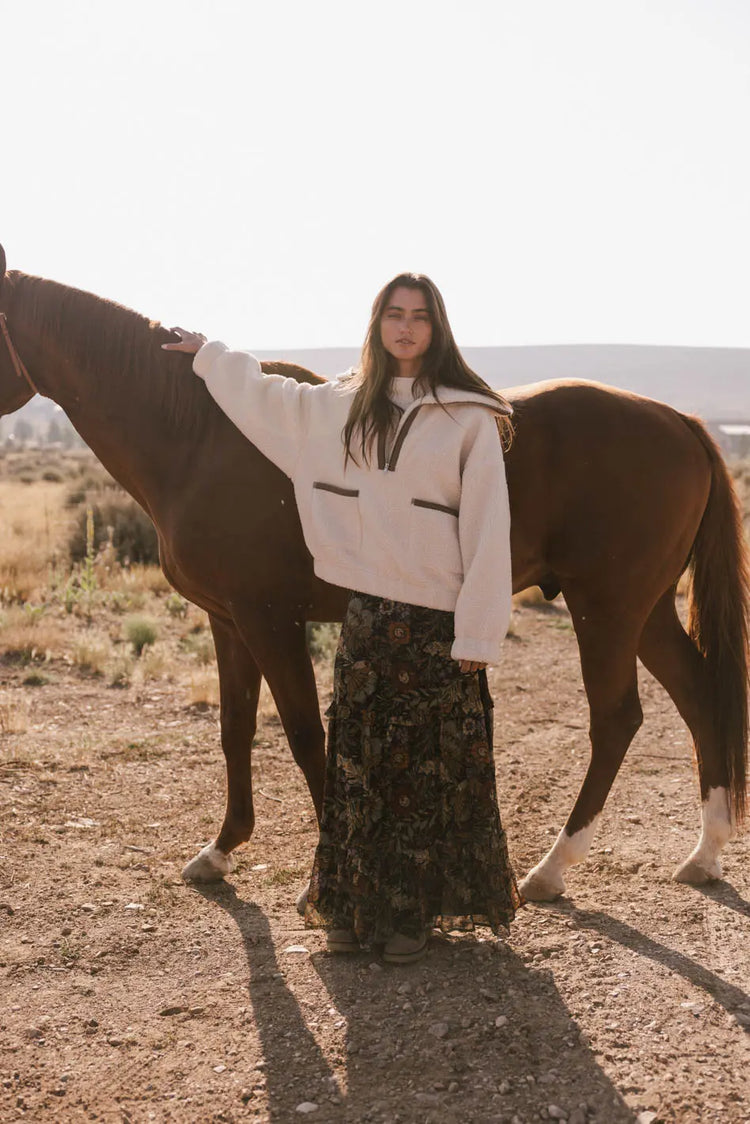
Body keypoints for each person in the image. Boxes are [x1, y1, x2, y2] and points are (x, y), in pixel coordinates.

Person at [164, 272, 521, 964]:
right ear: (378, 324)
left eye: (420, 316)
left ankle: (411, 918)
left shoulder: (468, 417)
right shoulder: (341, 405)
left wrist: (479, 630)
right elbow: (271, 400)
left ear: (437, 328)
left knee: (421, 777)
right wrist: (209, 353)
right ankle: (353, 913)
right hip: (368, 618)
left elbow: (487, 528)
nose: (406, 327)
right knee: (358, 772)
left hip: (436, 625)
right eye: (395, 314)